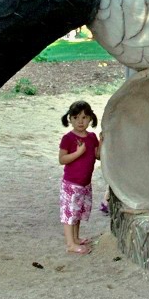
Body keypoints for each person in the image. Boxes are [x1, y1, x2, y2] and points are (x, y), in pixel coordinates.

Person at [58, 101, 101, 255]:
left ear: (90, 119)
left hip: (85, 184)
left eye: (84, 117)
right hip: (71, 184)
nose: (80, 121)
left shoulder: (91, 137)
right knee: (69, 214)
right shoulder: (68, 138)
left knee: (78, 213)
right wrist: (78, 153)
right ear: (70, 119)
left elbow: (98, 156)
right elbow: (62, 159)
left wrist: (101, 142)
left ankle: (76, 238)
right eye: (76, 117)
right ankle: (70, 244)